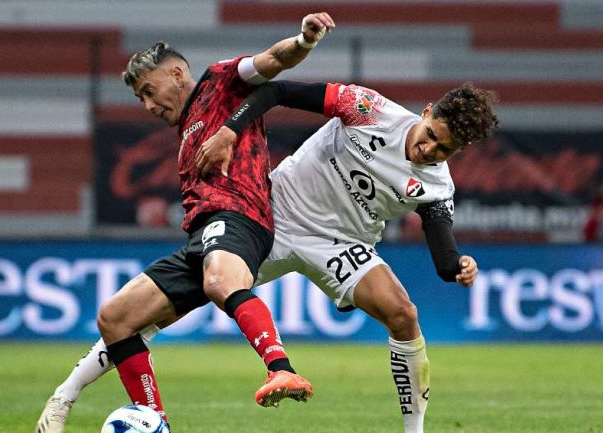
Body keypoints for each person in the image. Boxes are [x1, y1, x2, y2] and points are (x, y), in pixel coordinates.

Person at [38, 80, 498, 433]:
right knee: (154, 314)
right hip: (269, 214)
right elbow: (277, 90)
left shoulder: (438, 185)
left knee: (404, 314)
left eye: (444, 149)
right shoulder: (368, 109)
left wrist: (458, 266)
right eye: (432, 135)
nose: (429, 149)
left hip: (341, 245)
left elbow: (442, 249)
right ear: (427, 112)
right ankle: (63, 397)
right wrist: (228, 131)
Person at [35, 12, 336, 433]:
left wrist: (303, 41)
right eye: (140, 98)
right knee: (115, 316)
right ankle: (152, 418)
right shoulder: (185, 135)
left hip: (239, 218)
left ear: (177, 74)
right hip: (202, 238)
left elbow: (271, 61)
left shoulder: (221, 82)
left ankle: (280, 368)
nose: (148, 105)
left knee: (220, 283)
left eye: (149, 91)